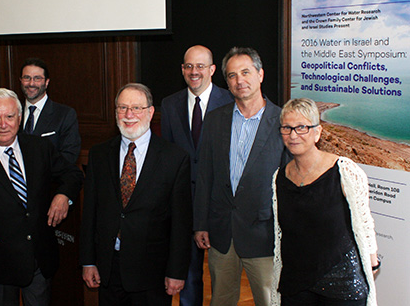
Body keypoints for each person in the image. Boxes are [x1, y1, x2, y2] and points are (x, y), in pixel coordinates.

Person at [0, 88, 83, 306]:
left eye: (9, 116)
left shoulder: (40, 148)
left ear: (20, 118)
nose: (3, 124)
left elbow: (73, 175)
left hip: (39, 262)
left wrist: (63, 195)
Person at [193, 47, 290, 306]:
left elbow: (289, 185)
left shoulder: (282, 122)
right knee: (220, 300)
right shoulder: (214, 120)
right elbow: (205, 175)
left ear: (260, 74)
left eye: (246, 72)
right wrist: (201, 222)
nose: (239, 81)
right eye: (232, 75)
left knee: (270, 301)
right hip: (222, 234)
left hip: (263, 235)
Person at [80, 83, 193, 306]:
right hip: (108, 269)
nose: (129, 115)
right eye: (122, 108)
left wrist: (177, 272)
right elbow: (90, 212)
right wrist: (88, 261)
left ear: (150, 112)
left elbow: (181, 223)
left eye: (136, 108)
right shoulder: (99, 155)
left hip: (153, 274)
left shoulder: (174, 158)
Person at [271, 98, 379, 306]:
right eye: (287, 128)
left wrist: (372, 260)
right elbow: (281, 233)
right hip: (296, 284)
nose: (293, 135)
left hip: (341, 284)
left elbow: (365, 223)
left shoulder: (345, 171)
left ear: (317, 132)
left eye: (302, 127)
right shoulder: (278, 178)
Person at [161, 45, 233, 306]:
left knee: (223, 277)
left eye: (200, 66)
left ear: (212, 70)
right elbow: (167, 157)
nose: (194, 72)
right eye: (189, 66)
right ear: (182, 70)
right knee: (189, 274)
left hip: (220, 205)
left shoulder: (230, 101)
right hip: (184, 204)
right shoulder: (169, 105)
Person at [19, 58, 81, 164]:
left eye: (37, 78)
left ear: (46, 82)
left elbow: (69, 157)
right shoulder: (12, 113)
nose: (31, 83)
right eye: (27, 78)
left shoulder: (65, 115)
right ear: (21, 80)